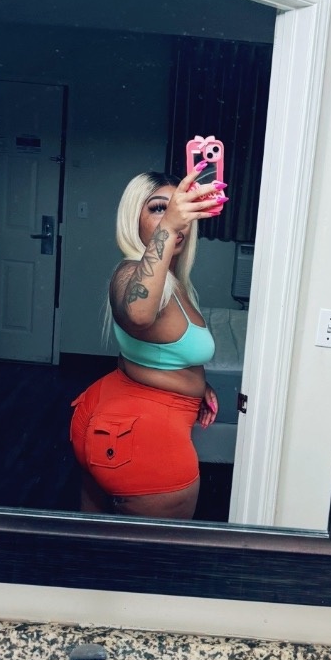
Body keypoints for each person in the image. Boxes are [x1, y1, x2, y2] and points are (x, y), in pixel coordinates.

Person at [70, 166, 229, 520]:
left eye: (179, 208)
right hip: (141, 436)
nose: (175, 218)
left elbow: (153, 351)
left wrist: (196, 382)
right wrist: (168, 228)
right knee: (153, 551)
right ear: (133, 219)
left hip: (117, 419)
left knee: (94, 543)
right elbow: (139, 315)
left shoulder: (174, 281)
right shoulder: (129, 271)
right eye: (159, 208)